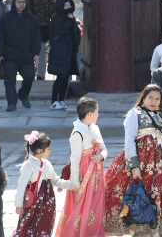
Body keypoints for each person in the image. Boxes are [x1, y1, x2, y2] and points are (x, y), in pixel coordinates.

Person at [104, 85, 162, 236]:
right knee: (142, 192)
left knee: (159, 191)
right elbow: (129, 141)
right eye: (151, 98)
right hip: (143, 162)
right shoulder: (134, 114)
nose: (154, 102)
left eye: (157, 99)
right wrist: (134, 167)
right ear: (143, 98)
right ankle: (139, 228)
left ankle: (156, 228)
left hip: (161, 162)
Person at [56, 97, 108, 236]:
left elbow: (104, 148)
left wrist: (102, 156)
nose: (98, 115)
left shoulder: (95, 128)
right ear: (90, 114)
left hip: (97, 175)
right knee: (80, 208)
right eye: (97, 112)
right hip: (84, 175)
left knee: (95, 206)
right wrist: (75, 183)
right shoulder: (77, 133)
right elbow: (74, 159)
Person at [13, 132, 73, 236]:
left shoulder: (46, 164)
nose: (50, 151)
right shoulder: (29, 166)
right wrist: (18, 205)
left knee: (44, 227)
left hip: (47, 204)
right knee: (28, 226)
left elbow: (56, 180)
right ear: (40, 151)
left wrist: (72, 185)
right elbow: (21, 186)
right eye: (48, 148)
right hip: (33, 203)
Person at [0, 0, 41, 111]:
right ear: (14, 3)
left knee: (30, 76)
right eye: (19, 2)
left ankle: (23, 95)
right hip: (9, 54)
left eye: (23, 2)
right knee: (9, 80)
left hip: (26, 55)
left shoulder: (31, 19)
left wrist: (33, 51)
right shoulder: (6, 18)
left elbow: (36, 37)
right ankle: (11, 102)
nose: (21, 4)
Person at [48, 0, 81, 110]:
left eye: (70, 6)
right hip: (60, 53)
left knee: (67, 78)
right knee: (60, 77)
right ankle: (53, 101)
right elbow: (61, 30)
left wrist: (76, 45)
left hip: (70, 52)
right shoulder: (56, 19)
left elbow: (76, 33)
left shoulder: (71, 19)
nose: (68, 8)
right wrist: (69, 21)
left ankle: (61, 100)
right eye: (66, 6)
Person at [26, 0, 56, 80]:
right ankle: (41, 75)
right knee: (43, 55)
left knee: (28, 52)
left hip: (28, 29)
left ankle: (28, 73)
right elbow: (53, 13)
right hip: (44, 28)